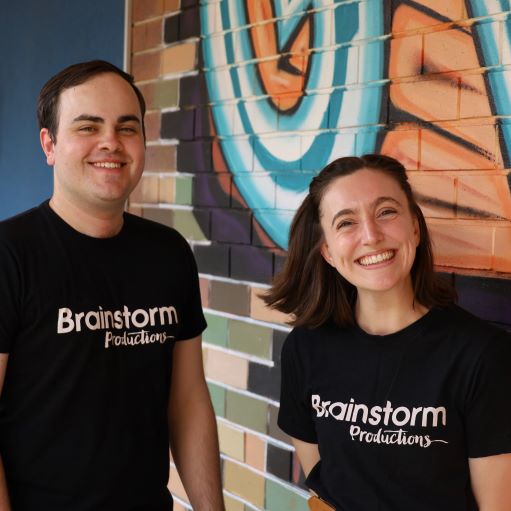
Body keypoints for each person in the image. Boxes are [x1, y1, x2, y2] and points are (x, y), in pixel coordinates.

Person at [0, 60, 224, 511]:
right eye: (88, 127)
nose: (111, 143)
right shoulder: (9, 254)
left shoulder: (169, 253)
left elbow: (187, 401)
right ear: (49, 144)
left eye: (127, 128)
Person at [264, 154, 511, 510]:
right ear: (328, 252)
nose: (371, 236)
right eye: (346, 222)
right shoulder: (306, 347)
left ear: (415, 226)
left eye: (387, 212)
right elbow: (326, 477)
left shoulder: (481, 355)